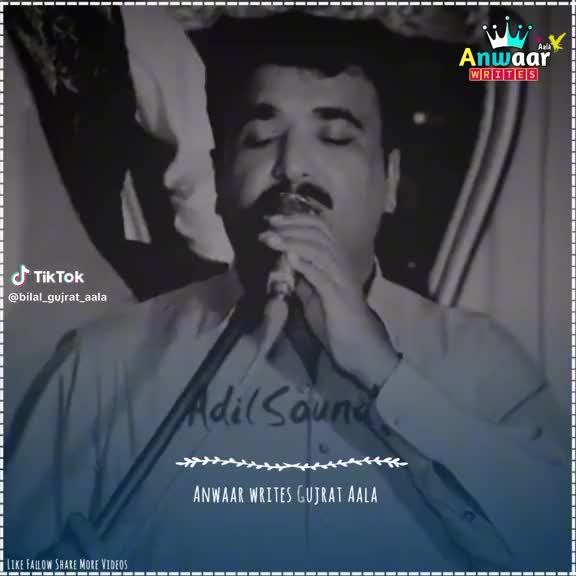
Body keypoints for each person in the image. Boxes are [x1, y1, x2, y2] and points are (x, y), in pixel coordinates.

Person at [6, 11, 569, 572]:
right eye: (261, 137)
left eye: (336, 137)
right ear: (218, 178)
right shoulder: (99, 367)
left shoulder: (481, 364)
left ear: (390, 182)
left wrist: (386, 374)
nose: (293, 166)